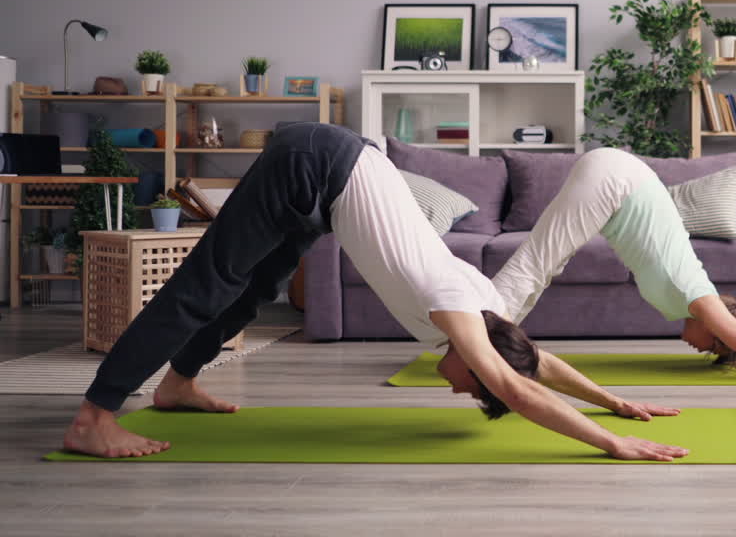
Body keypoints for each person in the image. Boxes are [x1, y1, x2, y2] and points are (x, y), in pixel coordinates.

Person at [63, 123, 687, 462]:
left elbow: (534, 361)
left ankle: (177, 385)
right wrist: (612, 443)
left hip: (327, 181)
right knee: (207, 289)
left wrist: (616, 402)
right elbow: (516, 384)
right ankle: (95, 416)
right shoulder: (458, 307)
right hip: (314, 164)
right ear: (479, 361)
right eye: (469, 385)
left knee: (253, 292)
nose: (455, 387)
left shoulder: (489, 313)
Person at [491, 148, 736, 384]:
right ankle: (479, 338)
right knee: (536, 263)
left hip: (620, 178)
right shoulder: (699, 299)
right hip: (618, 180)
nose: (699, 349)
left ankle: (491, 340)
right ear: (716, 330)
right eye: (713, 349)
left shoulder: (702, 301)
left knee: (543, 264)